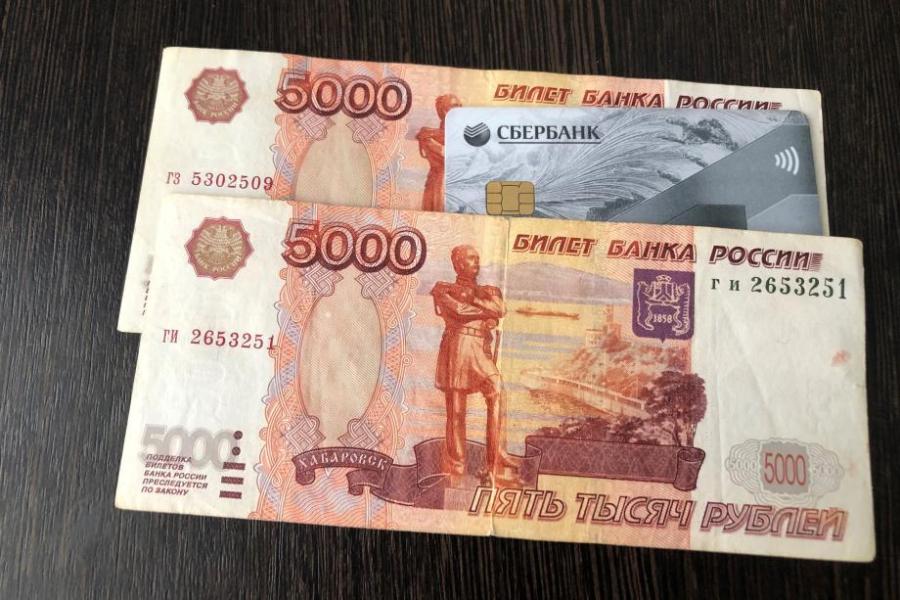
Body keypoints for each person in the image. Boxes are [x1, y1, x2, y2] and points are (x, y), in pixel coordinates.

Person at [431, 244, 517, 482]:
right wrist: (485, 311)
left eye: (477, 258)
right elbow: (458, 310)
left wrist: (478, 303)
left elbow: (500, 309)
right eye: (470, 259)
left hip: (479, 348)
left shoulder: (489, 290)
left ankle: (496, 456)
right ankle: (456, 466)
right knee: (456, 410)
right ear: (458, 264)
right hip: (458, 346)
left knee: (497, 390)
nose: (476, 263)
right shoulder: (443, 288)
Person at [416, 94, 461, 212]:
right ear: (445, 111)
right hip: (441, 184)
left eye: (460, 105)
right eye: (455, 106)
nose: (460, 108)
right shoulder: (429, 136)